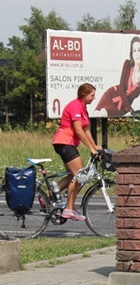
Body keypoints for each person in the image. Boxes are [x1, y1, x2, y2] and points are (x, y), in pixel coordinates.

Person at [52, 83, 102, 221]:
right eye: (92, 95)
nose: (94, 98)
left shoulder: (83, 108)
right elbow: (79, 130)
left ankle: (49, 197)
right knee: (80, 175)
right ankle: (68, 209)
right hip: (64, 142)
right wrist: (90, 149)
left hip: (68, 143)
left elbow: (86, 130)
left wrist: (95, 146)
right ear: (83, 94)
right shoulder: (75, 105)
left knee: (72, 175)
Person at [95, 36, 140, 116]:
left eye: (139, 50)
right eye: (134, 51)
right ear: (132, 54)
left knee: (103, 113)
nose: (137, 54)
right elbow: (121, 89)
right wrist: (130, 110)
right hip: (111, 95)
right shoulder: (127, 64)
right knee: (96, 114)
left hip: (123, 107)